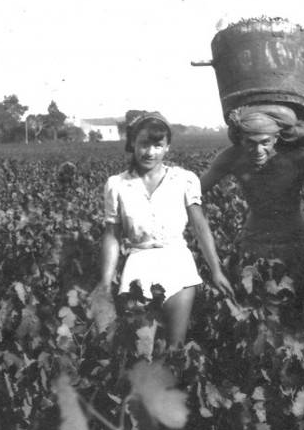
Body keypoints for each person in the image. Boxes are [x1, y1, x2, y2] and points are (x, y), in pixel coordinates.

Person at [98, 112, 233, 348]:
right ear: (132, 144)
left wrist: (216, 271)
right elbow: (112, 236)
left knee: (175, 348)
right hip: (138, 268)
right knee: (142, 348)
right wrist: (105, 282)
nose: (150, 152)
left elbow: (200, 226)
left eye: (157, 145)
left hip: (177, 264)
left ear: (167, 147)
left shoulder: (184, 179)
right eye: (143, 144)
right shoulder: (117, 185)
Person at [200, 104, 304, 286]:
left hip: (295, 239)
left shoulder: (301, 157)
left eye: (265, 142)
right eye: (250, 142)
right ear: (240, 139)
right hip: (255, 238)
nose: (258, 150)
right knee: (254, 299)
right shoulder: (232, 157)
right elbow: (194, 192)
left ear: (277, 137)